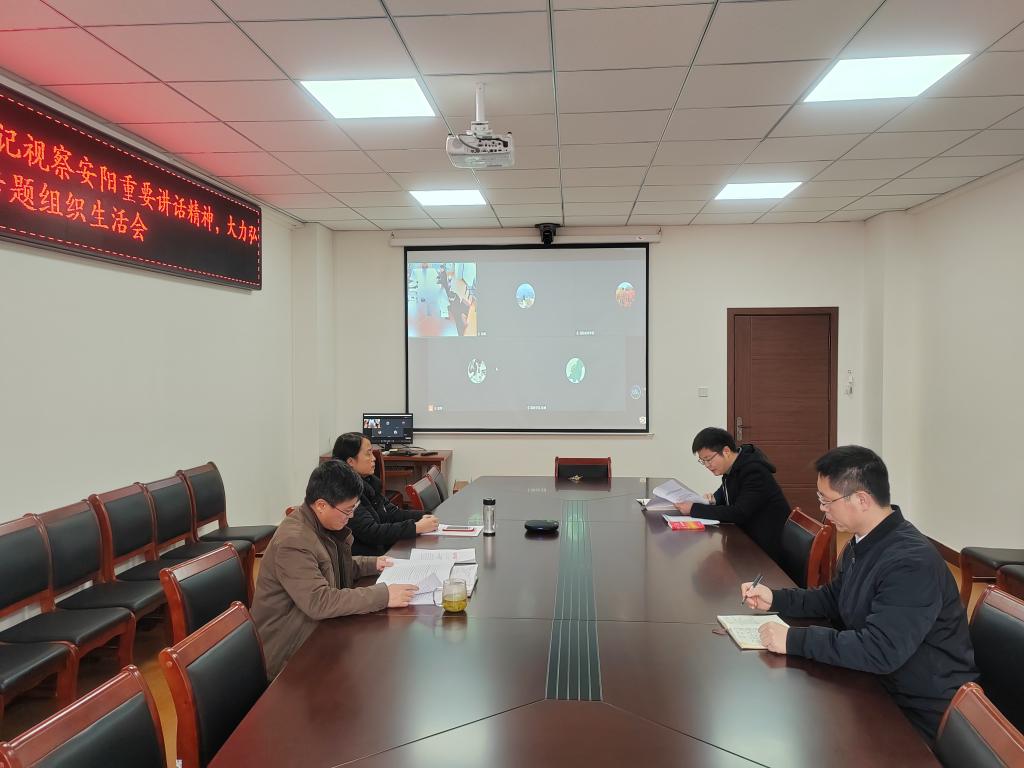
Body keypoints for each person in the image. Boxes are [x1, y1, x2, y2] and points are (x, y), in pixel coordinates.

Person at [741, 445, 977, 742]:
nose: (822, 509)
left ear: (862, 500)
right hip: (875, 683)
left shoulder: (911, 562)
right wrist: (776, 598)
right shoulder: (864, 542)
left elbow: (880, 650)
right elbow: (834, 598)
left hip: (918, 711)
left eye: (826, 500)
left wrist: (794, 639)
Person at [251, 461, 417, 677]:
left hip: (316, 631)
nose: (351, 516)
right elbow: (319, 601)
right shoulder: (294, 541)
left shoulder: (320, 523)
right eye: (347, 511)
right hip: (289, 655)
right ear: (321, 505)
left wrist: (373, 563)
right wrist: (383, 595)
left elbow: (330, 567)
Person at [677, 427, 791, 563]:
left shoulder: (754, 472)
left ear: (726, 451)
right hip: (748, 539)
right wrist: (713, 500)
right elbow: (723, 495)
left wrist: (694, 509)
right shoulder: (732, 468)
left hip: (767, 550)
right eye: (703, 461)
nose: (707, 465)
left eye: (708, 459)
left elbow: (739, 512)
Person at [332, 432, 439, 556]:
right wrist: (416, 527)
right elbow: (371, 532)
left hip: (381, 551)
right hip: (367, 559)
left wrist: (426, 515)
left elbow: (392, 513)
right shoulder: (345, 491)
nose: (374, 458)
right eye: (368, 453)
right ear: (350, 461)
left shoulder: (368, 482)